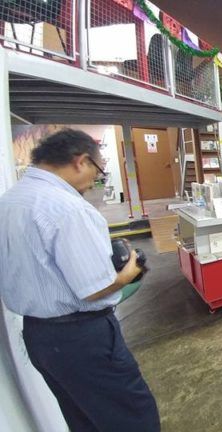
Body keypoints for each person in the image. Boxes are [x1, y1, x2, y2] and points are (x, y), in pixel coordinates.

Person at [0, 129, 160, 431]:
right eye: (98, 171)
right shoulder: (68, 208)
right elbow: (94, 288)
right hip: (83, 337)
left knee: (82, 418)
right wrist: (127, 274)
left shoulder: (11, 200)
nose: (95, 180)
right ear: (80, 161)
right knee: (132, 416)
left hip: (38, 335)